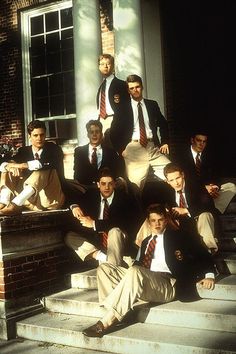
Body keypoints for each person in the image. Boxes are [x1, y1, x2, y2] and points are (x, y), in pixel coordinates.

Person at [82, 203, 215, 338]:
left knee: (135, 271)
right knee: (105, 268)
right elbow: (140, 265)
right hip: (147, 280)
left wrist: (209, 274)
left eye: (160, 220)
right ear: (148, 222)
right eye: (153, 220)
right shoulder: (146, 242)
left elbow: (202, 254)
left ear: (166, 219)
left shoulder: (179, 236)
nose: (157, 224)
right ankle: (115, 310)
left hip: (168, 284)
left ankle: (106, 322)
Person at [65, 167, 140, 266]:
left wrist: (94, 224)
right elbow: (71, 197)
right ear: (98, 184)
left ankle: (113, 267)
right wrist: (74, 206)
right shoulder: (91, 195)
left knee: (114, 231)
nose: (107, 187)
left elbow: (121, 222)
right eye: (103, 184)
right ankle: (102, 257)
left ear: (114, 184)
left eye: (110, 184)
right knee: (69, 237)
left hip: (118, 238)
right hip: (97, 239)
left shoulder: (125, 199)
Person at [110, 74, 171, 188]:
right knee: (135, 187)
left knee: (174, 174)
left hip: (153, 148)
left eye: (137, 87)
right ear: (128, 90)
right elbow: (113, 132)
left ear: (142, 87)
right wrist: (121, 150)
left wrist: (165, 142)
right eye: (131, 88)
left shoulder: (152, 105)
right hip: (134, 150)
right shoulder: (122, 108)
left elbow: (163, 123)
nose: (135, 90)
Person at [0, 120, 65, 215]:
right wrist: (11, 166)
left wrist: (22, 165)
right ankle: (3, 202)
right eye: (35, 135)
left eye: (42, 135)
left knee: (43, 169)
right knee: (9, 166)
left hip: (50, 199)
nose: (39, 138)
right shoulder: (23, 151)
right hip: (30, 202)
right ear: (29, 136)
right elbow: (3, 164)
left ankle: (15, 204)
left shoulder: (54, 149)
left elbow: (45, 164)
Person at [175, 130, 236, 214]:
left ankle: (212, 211)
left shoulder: (209, 155)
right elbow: (181, 179)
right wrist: (203, 188)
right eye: (199, 140)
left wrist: (214, 187)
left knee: (231, 187)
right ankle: (207, 211)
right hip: (191, 193)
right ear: (192, 140)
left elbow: (215, 176)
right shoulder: (181, 155)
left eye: (204, 141)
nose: (201, 144)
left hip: (207, 195)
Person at [163, 162, 219, 253]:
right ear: (167, 181)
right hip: (182, 226)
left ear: (183, 175)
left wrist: (185, 210)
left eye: (178, 178)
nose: (176, 183)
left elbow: (208, 205)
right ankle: (138, 252)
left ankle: (210, 250)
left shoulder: (195, 185)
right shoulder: (166, 191)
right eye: (172, 180)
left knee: (205, 215)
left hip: (200, 221)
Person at [73, 120, 126, 190]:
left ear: (101, 134)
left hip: (105, 190)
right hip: (85, 190)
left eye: (97, 132)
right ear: (87, 135)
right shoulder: (79, 151)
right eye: (91, 132)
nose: (94, 134)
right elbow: (77, 174)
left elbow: (115, 173)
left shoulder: (111, 153)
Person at [97, 54, 129, 147]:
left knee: (117, 148)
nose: (105, 66)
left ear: (113, 65)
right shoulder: (101, 87)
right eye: (102, 64)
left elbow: (126, 108)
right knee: (104, 151)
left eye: (108, 63)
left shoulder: (121, 84)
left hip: (115, 119)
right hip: (102, 121)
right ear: (99, 67)